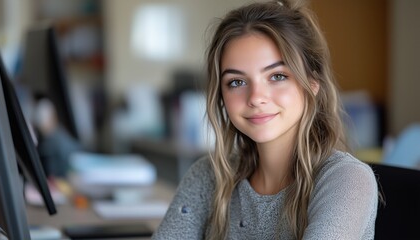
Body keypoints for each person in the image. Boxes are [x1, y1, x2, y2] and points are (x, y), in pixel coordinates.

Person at [153, 0, 378, 239]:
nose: (256, 98)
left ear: (312, 84)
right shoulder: (208, 176)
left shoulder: (347, 180)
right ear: (221, 95)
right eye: (236, 82)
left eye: (277, 76)